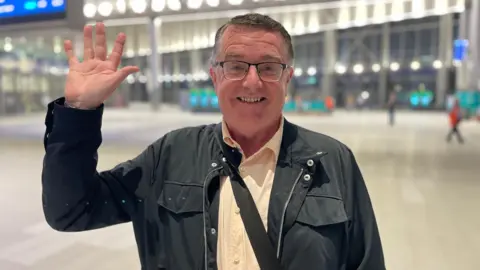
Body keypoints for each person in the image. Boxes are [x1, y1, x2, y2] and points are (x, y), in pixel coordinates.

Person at [41, 14, 385, 270]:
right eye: (235, 66)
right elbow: (71, 212)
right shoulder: (171, 155)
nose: (252, 82)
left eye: (268, 67)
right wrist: (79, 112)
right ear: (215, 75)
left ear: (288, 77)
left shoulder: (332, 161)